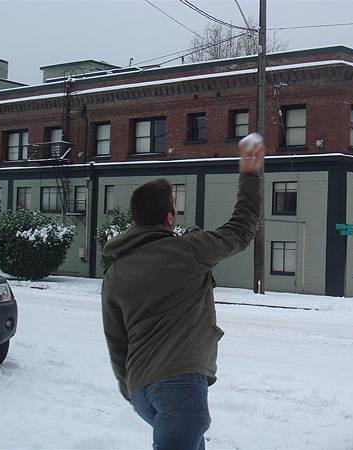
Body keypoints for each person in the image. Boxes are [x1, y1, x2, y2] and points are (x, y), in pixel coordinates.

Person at [101, 137, 264, 450]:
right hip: (179, 386)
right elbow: (242, 229)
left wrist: (129, 386)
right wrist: (249, 175)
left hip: (141, 390)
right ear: (168, 218)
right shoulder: (187, 251)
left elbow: (115, 339)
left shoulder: (115, 272)